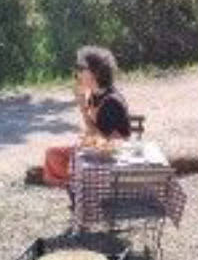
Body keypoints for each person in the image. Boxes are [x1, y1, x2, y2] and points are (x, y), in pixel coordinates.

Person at [26, 46, 131, 186]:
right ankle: (55, 174)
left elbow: (105, 142)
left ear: (95, 72)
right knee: (54, 154)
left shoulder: (111, 102)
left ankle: (66, 179)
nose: (77, 74)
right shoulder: (97, 93)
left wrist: (83, 110)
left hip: (112, 157)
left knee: (53, 155)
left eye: (82, 69)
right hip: (100, 151)